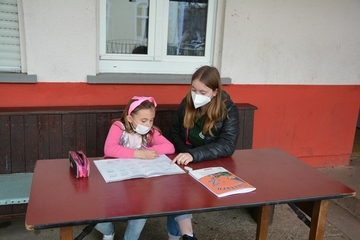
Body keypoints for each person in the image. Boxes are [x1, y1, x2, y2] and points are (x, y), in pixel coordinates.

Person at [168, 66, 240, 239]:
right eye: (193, 90)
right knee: (175, 191)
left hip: (212, 162)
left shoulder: (228, 109)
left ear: (215, 92)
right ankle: (186, 235)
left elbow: (227, 145)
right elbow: (175, 131)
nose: (196, 95)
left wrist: (194, 155)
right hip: (187, 158)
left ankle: (182, 235)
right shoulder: (187, 103)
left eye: (202, 91)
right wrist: (186, 153)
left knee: (178, 194)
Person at [94, 96, 176, 240]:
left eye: (151, 120)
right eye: (144, 121)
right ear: (130, 119)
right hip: (114, 180)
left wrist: (150, 150)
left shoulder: (150, 132)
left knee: (140, 213)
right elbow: (109, 149)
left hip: (138, 183)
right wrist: (138, 153)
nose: (148, 124)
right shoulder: (118, 127)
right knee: (96, 213)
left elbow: (170, 147)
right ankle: (108, 231)